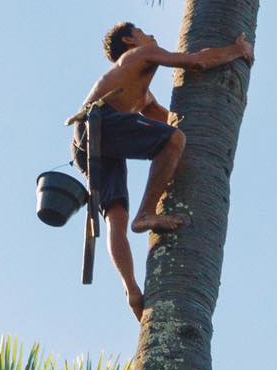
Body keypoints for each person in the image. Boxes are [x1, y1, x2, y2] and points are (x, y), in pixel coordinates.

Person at [70, 21, 254, 319]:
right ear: (131, 40)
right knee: (173, 141)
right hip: (99, 123)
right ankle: (146, 214)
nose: (149, 34)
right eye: (141, 31)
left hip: (88, 142)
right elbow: (196, 62)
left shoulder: (138, 92)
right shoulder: (140, 56)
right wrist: (236, 50)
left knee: (116, 215)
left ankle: (131, 290)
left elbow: (165, 118)